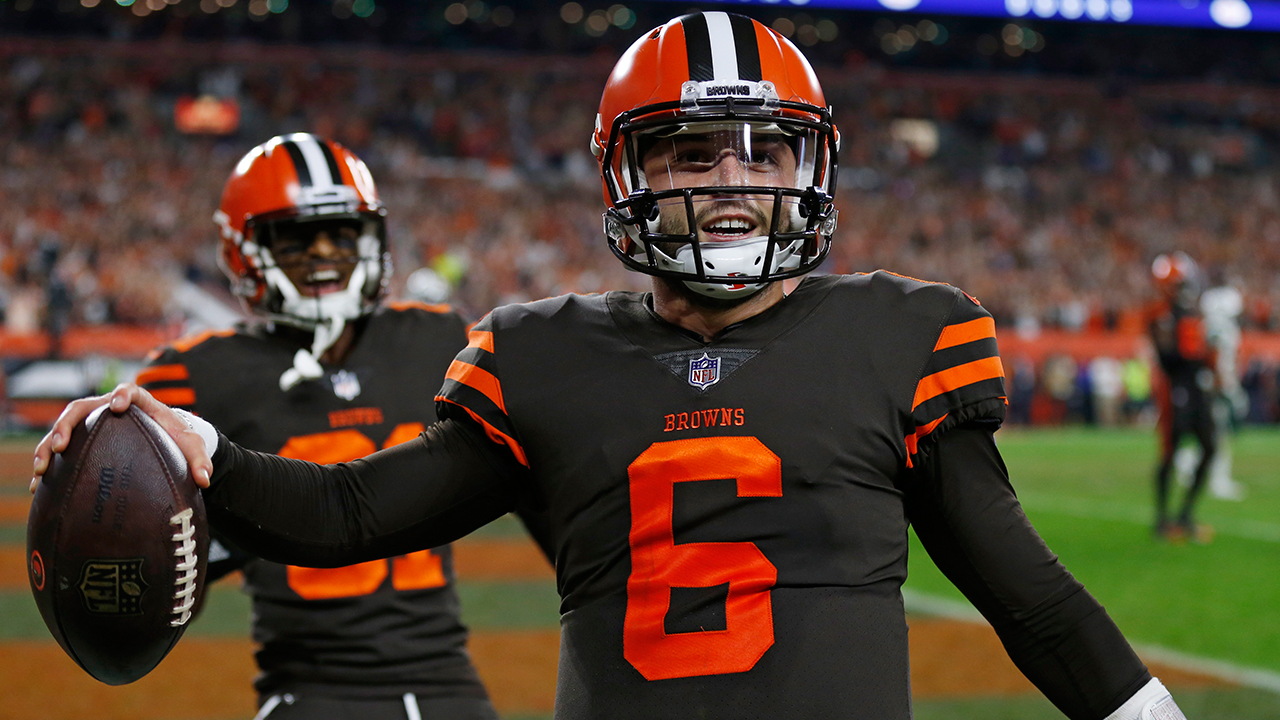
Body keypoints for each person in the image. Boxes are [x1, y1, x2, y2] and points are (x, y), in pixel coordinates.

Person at [36, 14, 1186, 720]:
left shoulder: (900, 333)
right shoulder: (541, 355)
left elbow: (1022, 595)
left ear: (814, 164)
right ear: (622, 172)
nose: (734, 178)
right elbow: (347, 512)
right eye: (691, 147)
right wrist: (206, 453)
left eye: (767, 147)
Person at [137, 133, 540, 720]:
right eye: (297, 237)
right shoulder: (192, 375)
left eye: (341, 232)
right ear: (244, 248)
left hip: (445, 679)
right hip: (311, 686)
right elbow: (159, 569)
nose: (324, 251)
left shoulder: (438, 338)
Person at [1148, 252, 1218, 543]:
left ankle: (1185, 514)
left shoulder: (1190, 313)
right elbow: (1169, 358)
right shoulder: (1162, 315)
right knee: (1170, 450)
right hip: (1176, 386)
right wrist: (1196, 353)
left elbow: (1200, 353)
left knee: (1210, 446)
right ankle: (1163, 520)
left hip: (1196, 386)